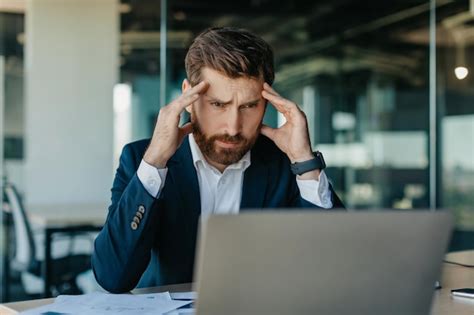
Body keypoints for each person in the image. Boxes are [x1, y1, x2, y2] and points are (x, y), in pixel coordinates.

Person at [92, 27, 344, 293]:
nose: (233, 127)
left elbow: (338, 266)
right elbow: (112, 277)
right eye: (218, 105)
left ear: (267, 103)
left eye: (248, 106)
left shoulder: (285, 165)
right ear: (188, 98)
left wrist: (305, 162)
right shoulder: (140, 160)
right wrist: (155, 161)